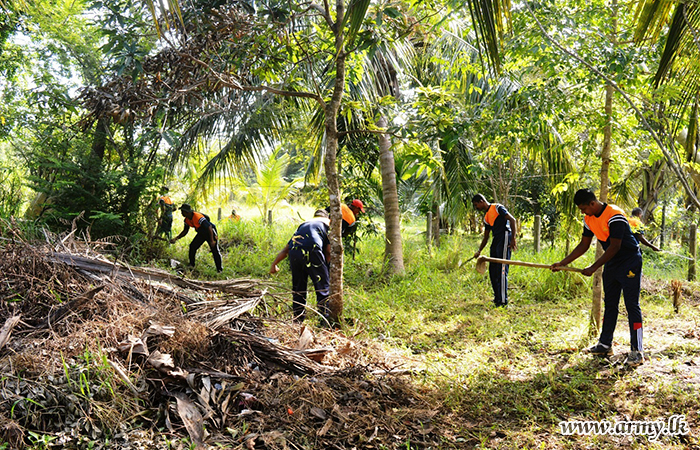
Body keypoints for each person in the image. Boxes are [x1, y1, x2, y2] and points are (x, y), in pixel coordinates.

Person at [550, 188, 645, 367]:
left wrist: (594, 267)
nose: (583, 212)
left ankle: (637, 350)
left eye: (584, 208)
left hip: (629, 261)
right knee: (610, 303)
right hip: (612, 263)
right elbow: (584, 244)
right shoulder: (589, 219)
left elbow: (615, 246)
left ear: (592, 204)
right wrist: (563, 263)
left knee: (632, 305)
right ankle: (605, 344)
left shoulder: (614, 215)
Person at [270, 209, 331, 324]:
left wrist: (274, 264)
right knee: (322, 287)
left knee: (298, 288)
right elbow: (328, 251)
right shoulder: (327, 223)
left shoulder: (304, 225)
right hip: (313, 248)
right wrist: (326, 269)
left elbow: (286, 248)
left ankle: (297, 320)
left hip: (295, 251)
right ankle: (325, 319)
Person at [472, 194, 517, 307]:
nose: (476, 207)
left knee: (502, 269)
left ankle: (502, 301)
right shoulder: (486, 217)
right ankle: (497, 298)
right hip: (496, 240)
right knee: (493, 270)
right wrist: (479, 250)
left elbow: (512, 220)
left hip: (505, 237)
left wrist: (513, 239)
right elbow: (486, 237)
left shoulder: (497, 207)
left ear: (482, 201)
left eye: (476, 205)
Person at [170, 204, 223, 273]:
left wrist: (212, 240)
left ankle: (219, 269)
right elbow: (185, 231)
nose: (181, 213)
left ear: (187, 212)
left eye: (182, 211)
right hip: (201, 233)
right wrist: (176, 238)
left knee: (214, 250)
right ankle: (192, 264)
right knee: (192, 246)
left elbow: (209, 227)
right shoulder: (186, 220)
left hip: (210, 232)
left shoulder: (198, 217)